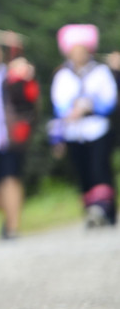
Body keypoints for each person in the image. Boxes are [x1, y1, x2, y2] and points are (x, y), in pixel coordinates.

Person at [50, 24, 117, 227]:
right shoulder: (62, 74)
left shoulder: (100, 71)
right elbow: (58, 103)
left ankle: (104, 209)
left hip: (97, 128)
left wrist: (89, 106)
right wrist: (68, 112)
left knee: (100, 169)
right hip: (74, 132)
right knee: (83, 171)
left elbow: (109, 100)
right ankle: (90, 210)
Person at [0, 26, 39, 239]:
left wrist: (16, 51)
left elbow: (24, 89)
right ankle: (10, 216)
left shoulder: (11, 73)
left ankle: (12, 227)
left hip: (11, 136)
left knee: (10, 178)